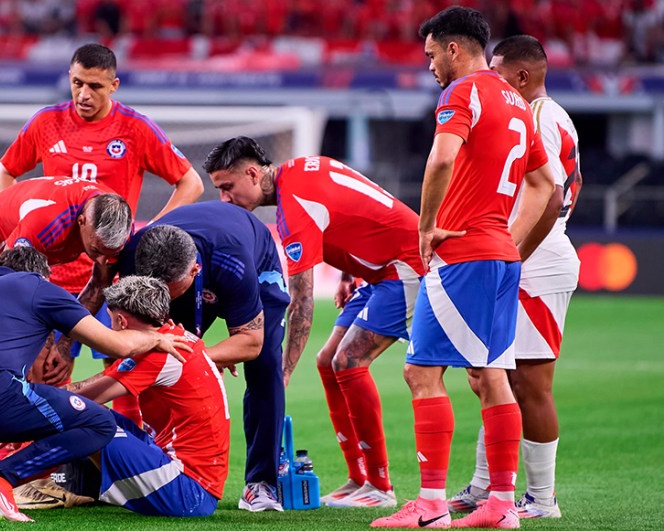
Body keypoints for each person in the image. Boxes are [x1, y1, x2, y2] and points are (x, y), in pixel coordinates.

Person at [372, 7, 556, 529]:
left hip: (462, 257)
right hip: (499, 257)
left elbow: (441, 159)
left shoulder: (463, 93)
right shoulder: (519, 102)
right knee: (491, 376)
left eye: (431, 54)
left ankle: (430, 506)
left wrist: (426, 226)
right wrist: (508, 238)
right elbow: (544, 185)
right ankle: (500, 505)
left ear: (454, 49)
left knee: (421, 372)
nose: (429, 66)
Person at [203, 136, 426, 508]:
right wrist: (346, 272)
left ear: (253, 173)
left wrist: (282, 373)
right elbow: (355, 209)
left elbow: (301, 302)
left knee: (348, 362)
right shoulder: (304, 168)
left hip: (406, 268)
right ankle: (358, 479)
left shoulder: (294, 206)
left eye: (228, 187)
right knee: (328, 362)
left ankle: (381, 487)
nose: (224, 198)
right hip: (377, 271)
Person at [0, 246, 191, 522]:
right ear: (43, 275)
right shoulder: (38, 288)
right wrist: (157, 338)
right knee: (99, 423)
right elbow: (115, 344)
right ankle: (2, 476)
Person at [0, 42, 203, 417]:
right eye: (77, 83)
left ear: (114, 85)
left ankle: (132, 457)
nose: (83, 94)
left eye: (95, 86)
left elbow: (191, 183)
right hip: (52, 276)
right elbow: (5, 171)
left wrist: (143, 235)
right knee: (44, 374)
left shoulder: (135, 129)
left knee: (127, 368)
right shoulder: (46, 122)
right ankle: (49, 471)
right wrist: (21, 218)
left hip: (111, 277)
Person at [448, 35, 582, 520]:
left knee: (529, 384)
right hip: (530, 256)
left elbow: (550, 194)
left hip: (535, 262)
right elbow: (572, 188)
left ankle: (543, 500)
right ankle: (487, 487)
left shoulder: (538, 117)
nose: (491, 80)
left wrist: (514, 253)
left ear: (521, 76)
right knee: (495, 376)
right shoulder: (555, 116)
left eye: (499, 71)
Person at [106, 201, 290, 512]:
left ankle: (261, 482)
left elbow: (250, 342)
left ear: (195, 270)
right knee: (155, 354)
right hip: (185, 270)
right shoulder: (134, 254)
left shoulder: (233, 263)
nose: (163, 299)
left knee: (265, 364)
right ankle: (161, 454)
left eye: (171, 291)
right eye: (156, 290)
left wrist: (200, 359)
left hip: (254, 265)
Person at [63, 275, 230, 517]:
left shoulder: (157, 356)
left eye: (110, 323)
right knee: (81, 412)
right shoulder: (174, 336)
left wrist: (27, 393)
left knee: (76, 412)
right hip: (194, 485)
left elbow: (87, 397)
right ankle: (80, 485)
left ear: (121, 321)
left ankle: (25, 478)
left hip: (188, 494)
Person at [0, 176, 131, 293]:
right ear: (81, 221)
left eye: (112, 253)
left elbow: (100, 285)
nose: (102, 261)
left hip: (16, 250)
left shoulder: (119, 219)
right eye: (96, 250)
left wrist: (63, 344)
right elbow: (9, 283)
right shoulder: (47, 222)